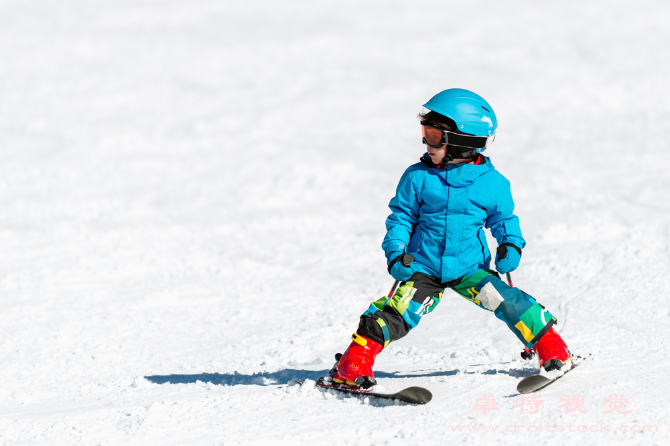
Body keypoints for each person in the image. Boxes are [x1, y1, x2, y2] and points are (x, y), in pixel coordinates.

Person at [325, 88, 571, 389]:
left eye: (433, 135)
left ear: (462, 142)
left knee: (510, 303)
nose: (426, 142)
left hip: (470, 270)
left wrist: (510, 244)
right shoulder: (418, 177)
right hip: (424, 267)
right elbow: (401, 218)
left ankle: (551, 347)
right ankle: (353, 363)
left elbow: (504, 220)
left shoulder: (492, 183)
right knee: (397, 312)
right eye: (425, 132)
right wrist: (396, 253)